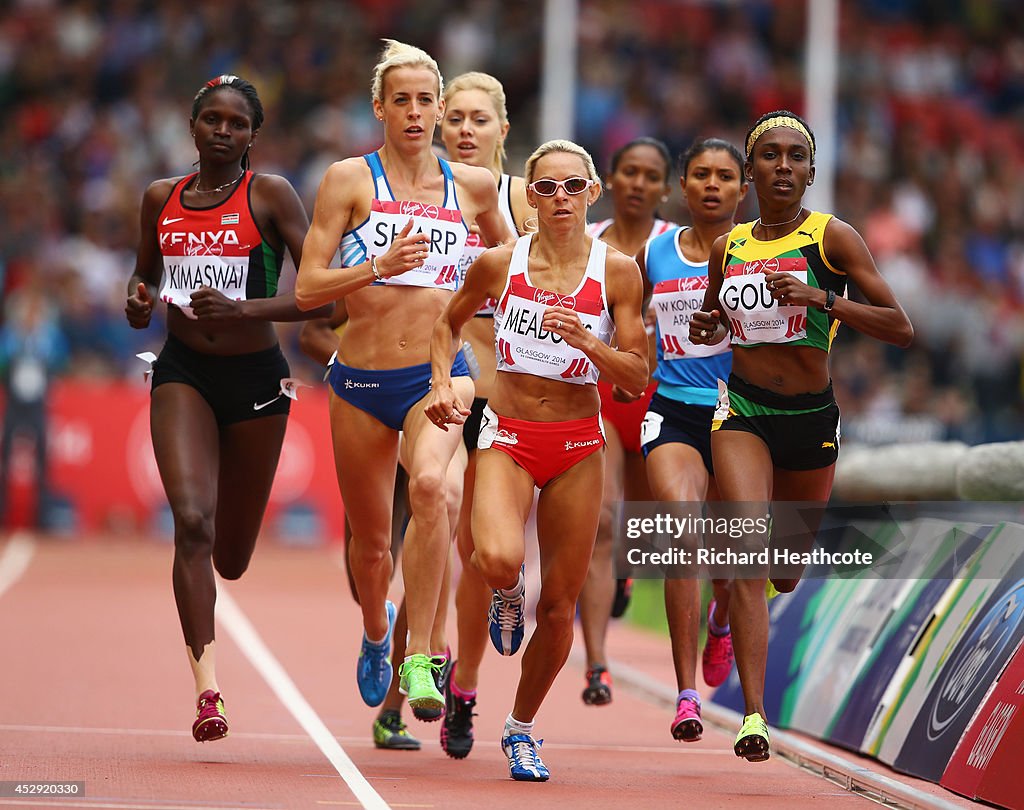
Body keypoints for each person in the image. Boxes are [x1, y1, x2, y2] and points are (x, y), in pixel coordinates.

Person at [294, 40, 512, 721]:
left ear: (439, 108)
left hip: (437, 376)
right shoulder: (347, 180)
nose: (415, 113)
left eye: (426, 101)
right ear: (379, 108)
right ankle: (375, 631)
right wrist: (377, 268)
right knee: (371, 550)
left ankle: (421, 656)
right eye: (402, 102)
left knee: (429, 489)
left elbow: (508, 263)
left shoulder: (473, 187)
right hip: (360, 379)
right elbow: (306, 289)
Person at [689, 111, 913, 762]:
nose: (783, 166)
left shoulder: (833, 239)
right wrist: (709, 330)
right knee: (754, 549)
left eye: (796, 157)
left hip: (811, 418)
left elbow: (900, 328)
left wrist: (823, 301)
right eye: (770, 156)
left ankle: (723, 610)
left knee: (785, 574)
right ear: (751, 171)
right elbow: (716, 318)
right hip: (744, 411)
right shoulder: (727, 247)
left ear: (812, 173)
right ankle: (755, 716)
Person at [427, 139, 648, 781]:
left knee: (559, 608)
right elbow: (447, 324)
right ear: (528, 194)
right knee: (494, 556)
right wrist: (443, 381)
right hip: (509, 433)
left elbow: (636, 376)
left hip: (579, 444)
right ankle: (504, 592)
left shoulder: (619, 272)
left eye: (571, 187)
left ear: (591, 192)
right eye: (545, 188)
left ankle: (521, 728)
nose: (558, 199)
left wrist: (586, 341)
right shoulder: (500, 263)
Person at [124, 74, 331, 742]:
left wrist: (245, 309)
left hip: (258, 382)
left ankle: (219, 578)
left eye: (236, 123)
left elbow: (325, 299)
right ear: (191, 127)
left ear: (251, 135)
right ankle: (207, 691)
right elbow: (145, 278)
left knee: (232, 557)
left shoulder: (269, 196)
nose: (222, 130)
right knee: (191, 521)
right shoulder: (161, 198)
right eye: (210, 119)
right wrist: (136, 297)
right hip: (181, 370)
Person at [638, 138, 748, 741]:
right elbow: (625, 319)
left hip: (741, 420)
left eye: (724, 176)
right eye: (700, 175)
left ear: (742, 188)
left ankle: (723, 618)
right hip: (673, 412)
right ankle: (685, 695)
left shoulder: (760, 255)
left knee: (732, 560)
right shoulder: (655, 254)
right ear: (683, 186)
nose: (711, 185)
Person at [436, 70, 530, 760]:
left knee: (474, 550)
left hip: (506, 393)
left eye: (479, 119)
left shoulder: (525, 199)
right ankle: (403, 648)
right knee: (426, 508)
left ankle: (462, 688)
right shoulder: (417, 195)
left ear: (502, 130)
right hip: (436, 382)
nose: (465, 130)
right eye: (455, 118)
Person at [578, 137, 676, 706]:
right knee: (607, 522)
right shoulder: (585, 241)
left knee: (642, 528)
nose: (639, 183)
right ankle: (597, 663)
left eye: (651, 175)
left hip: (664, 394)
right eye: (629, 172)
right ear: (610, 181)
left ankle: (624, 574)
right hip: (601, 394)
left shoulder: (675, 247)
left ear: (667, 188)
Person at [298, 303, 422, 751]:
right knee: (369, 571)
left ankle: (397, 706)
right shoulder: (364, 258)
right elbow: (311, 331)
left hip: (644, 402)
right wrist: (354, 369)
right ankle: (379, 626)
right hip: (370, 402)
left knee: (435, 556)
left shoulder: (636, 258)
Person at [0, 274, 67, 529]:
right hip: (15, 403)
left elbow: (60, 358)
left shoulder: (49, 336)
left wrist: (39, 344)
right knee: (5, 454)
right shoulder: (10, 335)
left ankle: (42, 516)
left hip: (38, 403)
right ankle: (3, 512)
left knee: (42, 458)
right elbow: (2, 361)